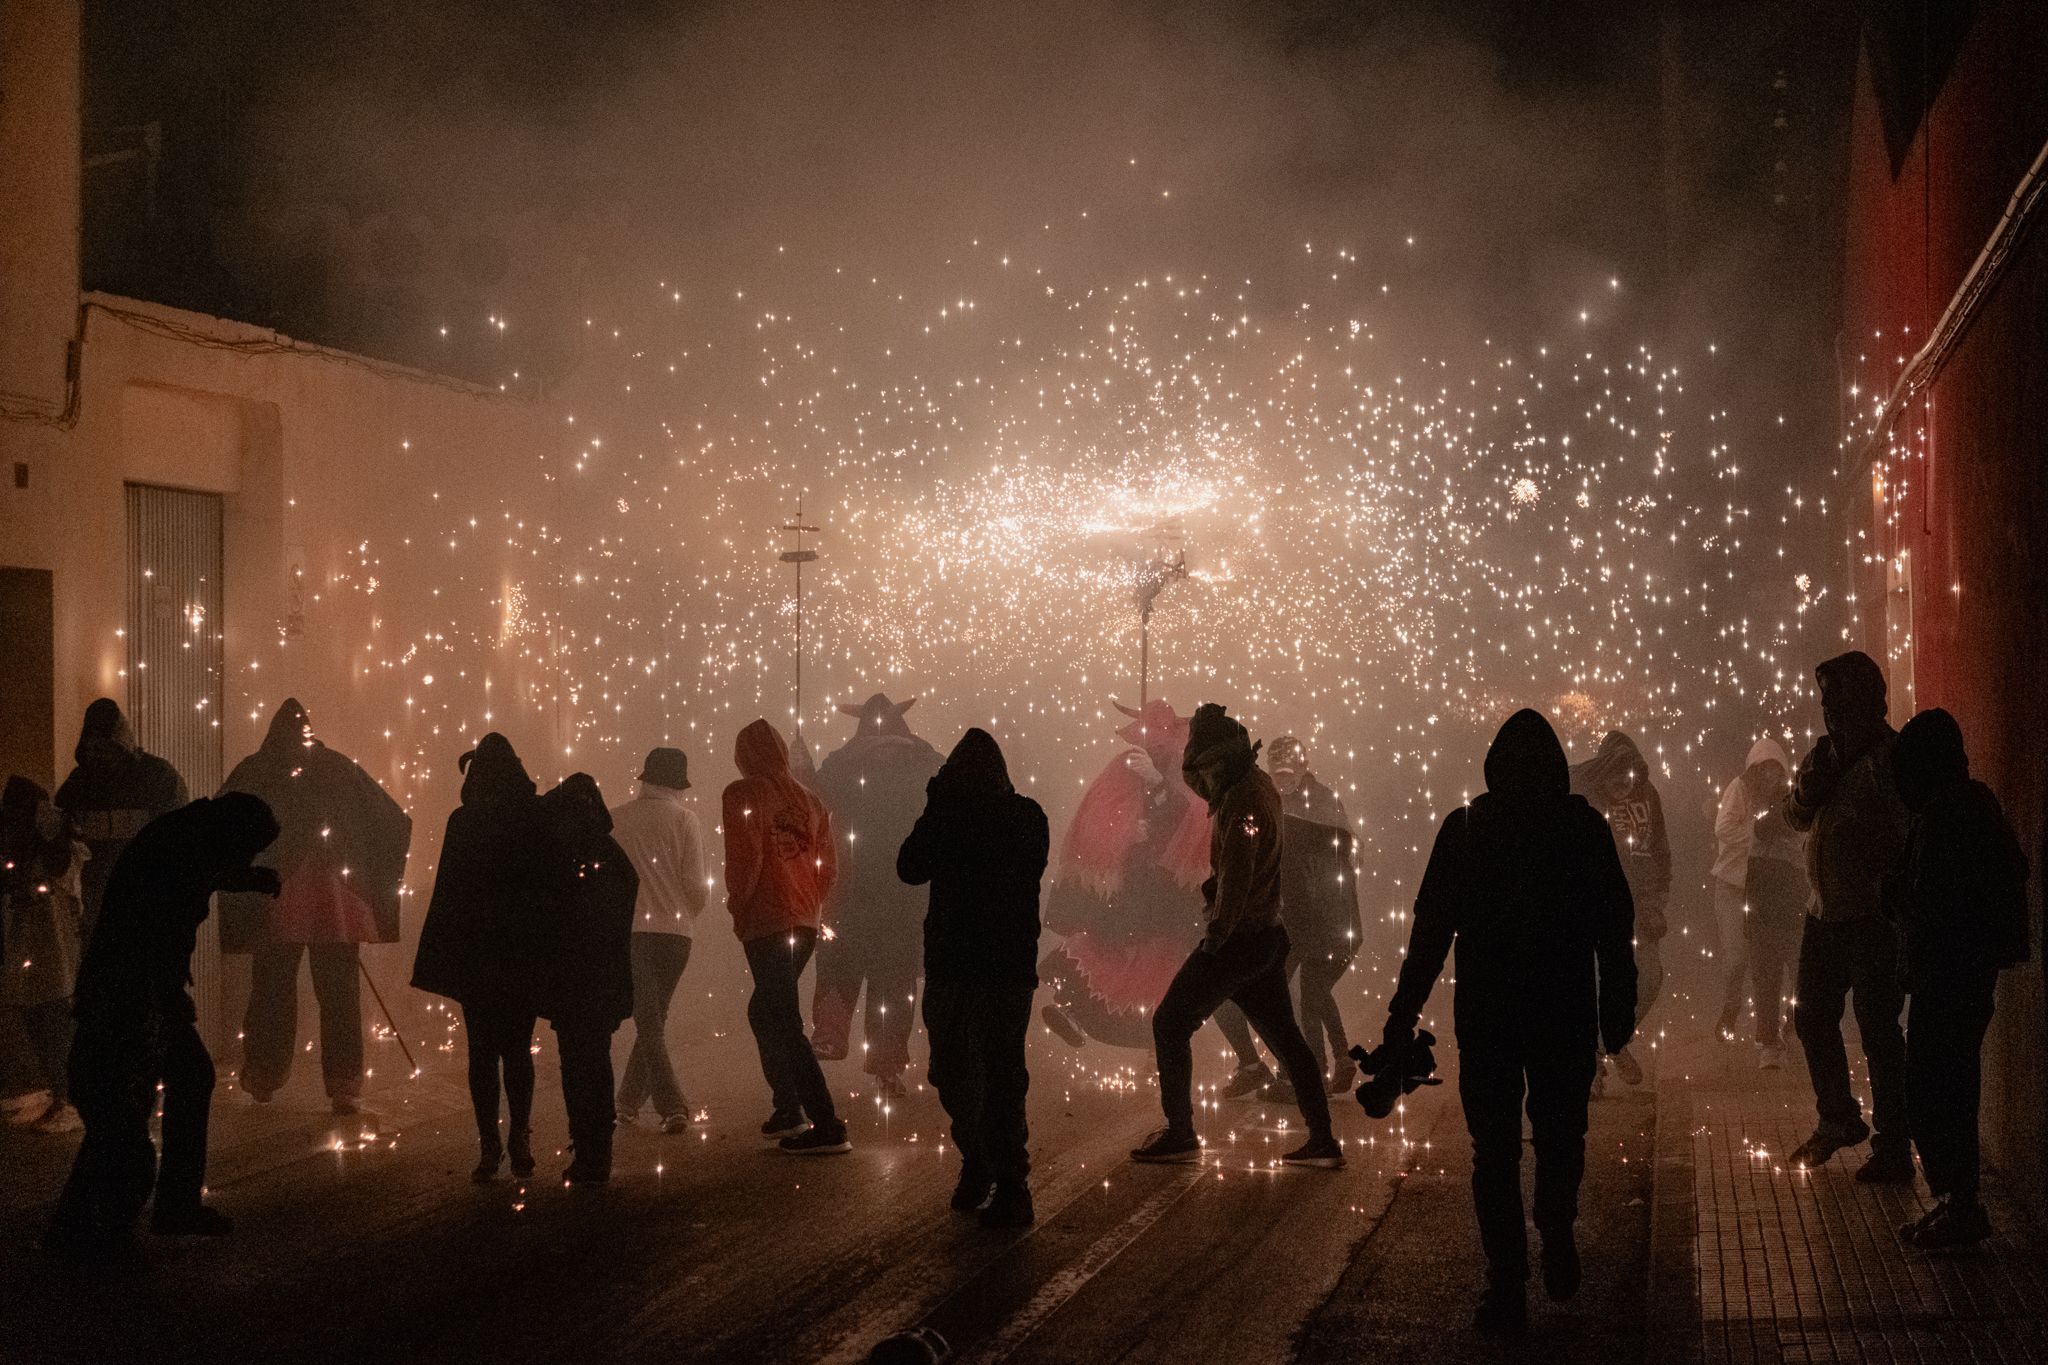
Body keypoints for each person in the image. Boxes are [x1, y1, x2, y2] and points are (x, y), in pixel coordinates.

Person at [1379, 709, 1636, 1336]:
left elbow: (1431, 931)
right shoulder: (1582, 827)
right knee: (1560, 1134)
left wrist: (1402, 1014)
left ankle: (1507, 1281)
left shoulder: (1467, 828)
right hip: (1563, 1012)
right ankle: (1555, 1227)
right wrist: (1616, 1011)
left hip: (1489, 1016)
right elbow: (1614, 927)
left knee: (1492, 1153)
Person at [45, 794, 281, 1259]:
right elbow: (152, 934)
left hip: (137, 989)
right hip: (129, 995)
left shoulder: (190, 839)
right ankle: (101, 1225)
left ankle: (126, 1215)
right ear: (231, 836)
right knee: (125, 1107)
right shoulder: (180, 855)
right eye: (249, 850)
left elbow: (211, 871)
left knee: (158, 1091)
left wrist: (249, 879)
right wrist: (167, 1002)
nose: (248, 858)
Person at [1130, 703, 1343, 1170]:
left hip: (1241, 940)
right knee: (1287, 1040)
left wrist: (1217, 935)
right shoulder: (1253, 788)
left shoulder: (1244, 801)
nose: (1197, 775)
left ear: (1218, 758)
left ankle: (1181, 1132)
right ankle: (1323, 1139)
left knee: (1169, 1023)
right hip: (1264, 937)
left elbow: (1239, 877)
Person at [218, 699, 412, 1115]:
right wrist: (362, 865)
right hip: (333, 903)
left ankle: (263, 1078)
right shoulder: (339, 768)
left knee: (272, 988)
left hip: (276, 898)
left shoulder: (257, 769)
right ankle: (343, 1086)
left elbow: (222, 819)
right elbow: (391, 819)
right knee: (338, 991)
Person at [1888, 709, 2029, 1248]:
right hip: (1958, 973)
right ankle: (1954, 1200)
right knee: (1945, 1087)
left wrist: (1897, 895)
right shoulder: (1963, 805)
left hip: (1950, 975)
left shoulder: (1953, 812)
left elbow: (1930, 897)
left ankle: (1960, 1203)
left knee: (1935, 1089)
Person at [898, 728, 1050, 1228]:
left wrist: (938, 803)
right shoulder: (1028, 817)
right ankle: (998, 1172)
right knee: (994, 1074)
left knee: (959, 1070)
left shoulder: (966, 817)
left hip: (966, 965)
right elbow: (911, 868)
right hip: (997, 968)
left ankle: (999, 1175)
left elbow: (909, 866)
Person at [411, 734, 573, 1182]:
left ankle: (490, 1146)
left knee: (481, 1052)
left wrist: (441, 958)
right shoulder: (537, 818)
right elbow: (554, 884)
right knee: (518, 1049)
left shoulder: (463, 822)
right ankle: (521, 1139)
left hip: (477, 955)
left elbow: (449, 894)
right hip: (522, 951)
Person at [1784, 651, 1912, 1180]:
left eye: (1837, 699)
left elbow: (1908, 828)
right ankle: (1838, 1117)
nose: (1828, 710)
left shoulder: (1890, 758)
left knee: (1878, 1027)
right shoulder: (1825, 755)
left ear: (1865, 701)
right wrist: (1806, 792)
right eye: (1824, 701)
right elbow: (1794, 817)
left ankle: (1894, 1146)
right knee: (1812, 1016)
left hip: (1871, 917)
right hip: (1825, 912)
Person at [1038, 700, 1211, 1051]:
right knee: (1102, 946)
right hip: (1129, 884)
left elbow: (1194, 819)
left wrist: (1159, 785)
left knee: (1158, 966)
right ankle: (1073, 1012)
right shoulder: (1125, 765)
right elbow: (1100, 816)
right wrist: (1130, 830)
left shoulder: (1187, 770)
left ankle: (1161, 1043)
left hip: (1168, 894)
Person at [722, 719, 848, 1154]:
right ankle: (788, 1107)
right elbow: (829, 869)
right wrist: (810, 902)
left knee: (781, 1018)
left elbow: (747, 858)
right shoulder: (811, 801)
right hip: (805, 922)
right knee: (766, 1011)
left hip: (768, 920)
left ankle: (825, 1123)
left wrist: (738, 904)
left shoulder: (741, 794)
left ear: (745, 755)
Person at [811, 693, 944, 1101]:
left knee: (839, 959)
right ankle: (887, 1067)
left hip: (849, 886)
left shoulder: (841, 763)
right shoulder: (928, 761)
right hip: (907, 891)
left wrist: (800, 766)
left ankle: (830, 1035)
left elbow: (813, 798)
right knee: (896, 979)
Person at [1217, 734, 1363, 1098]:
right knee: (1307, 993)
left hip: (1316, 918)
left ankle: (1301, 1075)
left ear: (1302, 768)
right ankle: (1322, 1067)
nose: (1282, 780)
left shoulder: (1320, 803)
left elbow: (1348, 849)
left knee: (1296, 993)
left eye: (1288, 773)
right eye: (1276, 773)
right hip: (1294, 916)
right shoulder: (1274, 801)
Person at [539, 773, 637, 1185]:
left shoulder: (561, 855)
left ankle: (587, 1148)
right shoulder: (610, 853)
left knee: (577, 1066)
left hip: (571, 978)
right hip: (603, 976)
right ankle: (599, 1149)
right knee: (596, 1061)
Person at [609, 746, 709, 1133]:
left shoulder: (616, 820)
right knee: (654, 1020)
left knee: (649, 1022)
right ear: (678, 784)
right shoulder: (686, 820)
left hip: (631, 933)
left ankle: (660, 1106)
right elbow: (695, 884)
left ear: (645, 779)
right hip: (675, 936)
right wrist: (686, 915)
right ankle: (640, 1103)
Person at [1569, 731, 1668, 1088]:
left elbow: (1660, 849)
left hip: (1641, 907)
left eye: (1629, 779)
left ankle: (1610, 1043)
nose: (1623, 786)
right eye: (1615, 778)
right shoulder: (1585, 797)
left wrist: (1657, 898)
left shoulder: (1648, 794)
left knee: (1651, 978)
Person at [55, 698, 187, 939]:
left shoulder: (158, 778)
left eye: (103, 749)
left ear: (119, 745)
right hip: (97, 904)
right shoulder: (80, 784)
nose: (96, 757)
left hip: (147, 901)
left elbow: (178, 840)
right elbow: (61, 826)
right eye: (91, 749)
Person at [1, 778, 86, 1132]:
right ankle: (50, 1092)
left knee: (53, 1018)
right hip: (28, 942)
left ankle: (70, 1098)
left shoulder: (55, 838)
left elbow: (60, 872)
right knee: (34, 1016)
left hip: (51, 944)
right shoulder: (18, 841)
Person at [1710, 737, 1791, 1040]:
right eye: (1765, 769)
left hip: (1765, 892)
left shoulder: (1784, 797)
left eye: (1775, 769)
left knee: (1766, 962)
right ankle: (1730, 1011)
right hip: (1732, 888)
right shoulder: (1739, 790)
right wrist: (1758, 836)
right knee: (1736, 959)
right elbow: (1723, 828)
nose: (1770, 775)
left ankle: (1770, 1027)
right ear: (1755, 770)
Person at [1742, 801, 1806, 1070]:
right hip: (1767, 919)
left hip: (1795, 916)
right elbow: (1752, 886)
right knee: (1769, 979)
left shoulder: (1799, 847)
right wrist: (1751, 919)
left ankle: (1792, 1032)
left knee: (1800, 977)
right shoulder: (1760, 843)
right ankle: (1771, 1042)